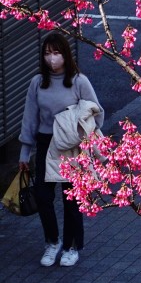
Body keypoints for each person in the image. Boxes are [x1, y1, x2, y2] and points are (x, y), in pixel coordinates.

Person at [18, 32, 104, 267]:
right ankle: (52, 242)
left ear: (65, 54)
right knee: (43, 196)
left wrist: (82, 135)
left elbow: (97, 113)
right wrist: (25, 152)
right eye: (47, 54)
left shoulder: (79, 81)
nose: (52, 58)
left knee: (71, 199)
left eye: (56, 53)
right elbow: (30, 119)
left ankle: (71, 246)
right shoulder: (37, 82)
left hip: (72, 146)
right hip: (46, 143)